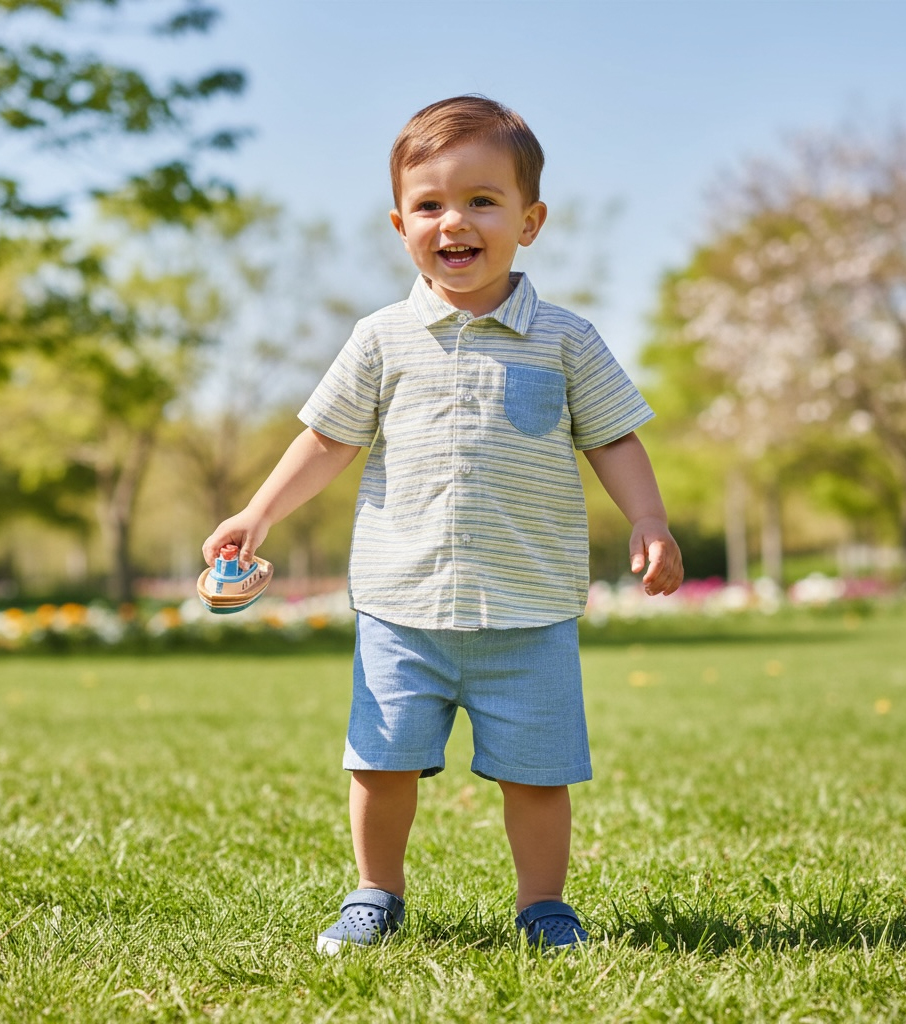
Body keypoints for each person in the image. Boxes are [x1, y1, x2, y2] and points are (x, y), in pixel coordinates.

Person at [202, 95, 683, 953]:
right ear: (400, 224)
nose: (453, 222)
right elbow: (327, 439)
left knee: (538, 776)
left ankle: (543, 905)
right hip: (401, 604)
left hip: (529, 609)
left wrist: (647, 517)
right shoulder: (382, 339)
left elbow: (614, 437)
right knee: (380, 764)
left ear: (529, 222)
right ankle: (374, 893)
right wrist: (257, 511)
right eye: (429, 205)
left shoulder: (567, 340)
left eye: (482, 201)